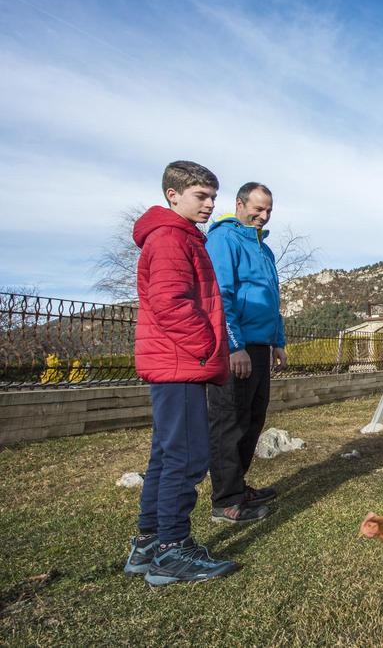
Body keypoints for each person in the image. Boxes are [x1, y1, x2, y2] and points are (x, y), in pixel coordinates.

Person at [125, 160, 238, 586]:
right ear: (173, 195)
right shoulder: (172, 237)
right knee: (187, 457)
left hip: (174, 363)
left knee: (167, 455)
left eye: (212, 196)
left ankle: (149, 543)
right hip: (181, 365)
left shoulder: (178, 236)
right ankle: (173, 550)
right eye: (201, 196)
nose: (210, 204)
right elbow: (171, 302)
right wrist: (207, 347)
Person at [205, 182, 286, 524]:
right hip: (234, 348)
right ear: (239, 204)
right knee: (230, 421)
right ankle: (225, 500)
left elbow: (271, 299)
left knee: (253, 417)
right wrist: (234, 346)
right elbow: (221, 294)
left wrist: (277, 341)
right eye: (257, 208)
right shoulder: (223, 239)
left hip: (260, 345)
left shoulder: (264, 250)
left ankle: (238, 485)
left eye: (268, 210)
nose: (263, 216)